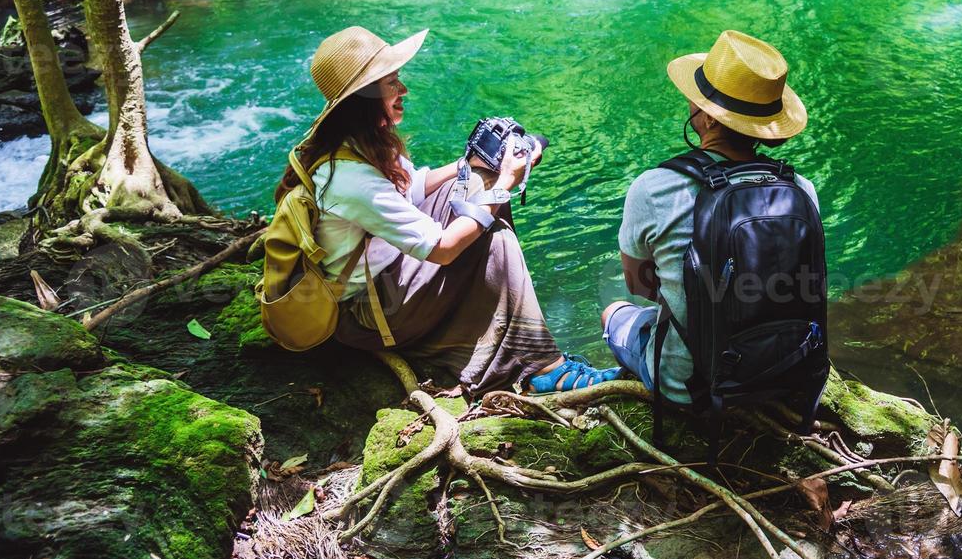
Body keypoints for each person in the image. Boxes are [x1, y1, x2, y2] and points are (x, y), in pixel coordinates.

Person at [276, 25, 619, 394]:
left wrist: (473, 164)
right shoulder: (349, 177)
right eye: (392, 83)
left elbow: (413, 189)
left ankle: (508, 338)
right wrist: (505, 182)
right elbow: (443, 250)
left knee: (480, 185)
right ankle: (544, 369)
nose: (403, 90)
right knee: (495, 237)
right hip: (372, 313)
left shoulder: (358, 142)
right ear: (363, 97)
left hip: (388, 277)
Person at [601, 29, 818, 404]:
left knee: (615, 312)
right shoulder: (801, 189)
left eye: (696, 98)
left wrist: (698, 291)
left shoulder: (654, 189)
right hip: (788, 372)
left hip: (691, 386)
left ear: (710, 119)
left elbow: (638, 287)